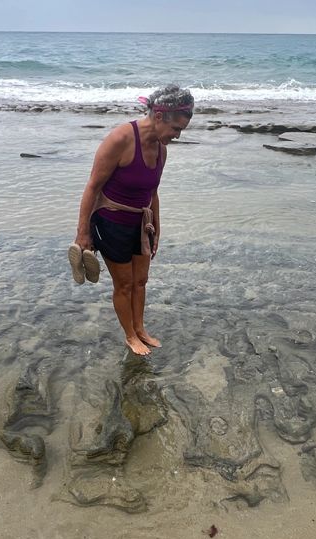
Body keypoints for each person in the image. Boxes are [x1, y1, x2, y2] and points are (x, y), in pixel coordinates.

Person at [71, 84, 193, 356]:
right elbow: (92, 187)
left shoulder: (161, 149)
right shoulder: (121, 139)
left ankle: (141, 329)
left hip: (141, 224)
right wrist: (82, 234)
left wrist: (157, 227)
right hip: (111, 222)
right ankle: (129, 335)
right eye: (176, 129)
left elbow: (153, 191)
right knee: (124, 284)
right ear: (159, 117)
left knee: (141, 281)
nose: (177, 136)